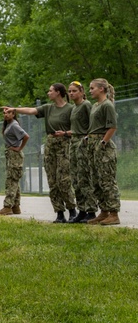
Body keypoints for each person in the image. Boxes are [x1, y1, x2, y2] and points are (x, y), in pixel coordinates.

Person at [3, 84, 76, 222]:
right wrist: (14, 109)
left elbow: (77, 129)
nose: (48, 93)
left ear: (58, 92)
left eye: (50, 90)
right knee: (52, 180)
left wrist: (66, 133)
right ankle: (59, 213)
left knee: (64, 179)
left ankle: (72, 210)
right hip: (50, 144)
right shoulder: (48, 108)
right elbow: (31, 110)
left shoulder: (70, 109)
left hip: (64, 144)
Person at [85, 78, 120, 226]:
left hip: (103, 146)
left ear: (101, 89)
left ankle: (114, 213)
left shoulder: (107, 105)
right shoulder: (95, 106)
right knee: (96, 179)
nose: (90, 90)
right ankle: (104, 211)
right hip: (93, 144)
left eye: (92, 88)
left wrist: (103, 142)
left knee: (107, 180)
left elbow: (112, 127)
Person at [66, 81, 97, 223]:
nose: (71, 93)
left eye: (74, 91)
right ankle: (82, 210)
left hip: (83, 142)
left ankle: (91, 211)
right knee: (76, 178)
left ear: (81, 92)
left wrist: (87, 138)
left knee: (85, 177)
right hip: (73, 141)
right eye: (69, 91)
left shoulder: (86, 105)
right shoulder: (74, 108)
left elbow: (93, 123)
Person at [0, 108, 28, 216]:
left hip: (15, 155)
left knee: (11, 180)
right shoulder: (8, 125)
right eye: (4, 113)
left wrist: (19, 148)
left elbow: (26, 136)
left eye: (9, 112)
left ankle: (7, 206)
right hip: (10, 154)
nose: (6, 114)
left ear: (13, 114)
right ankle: (16, 206)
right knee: (14, 181)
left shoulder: (14, 125)